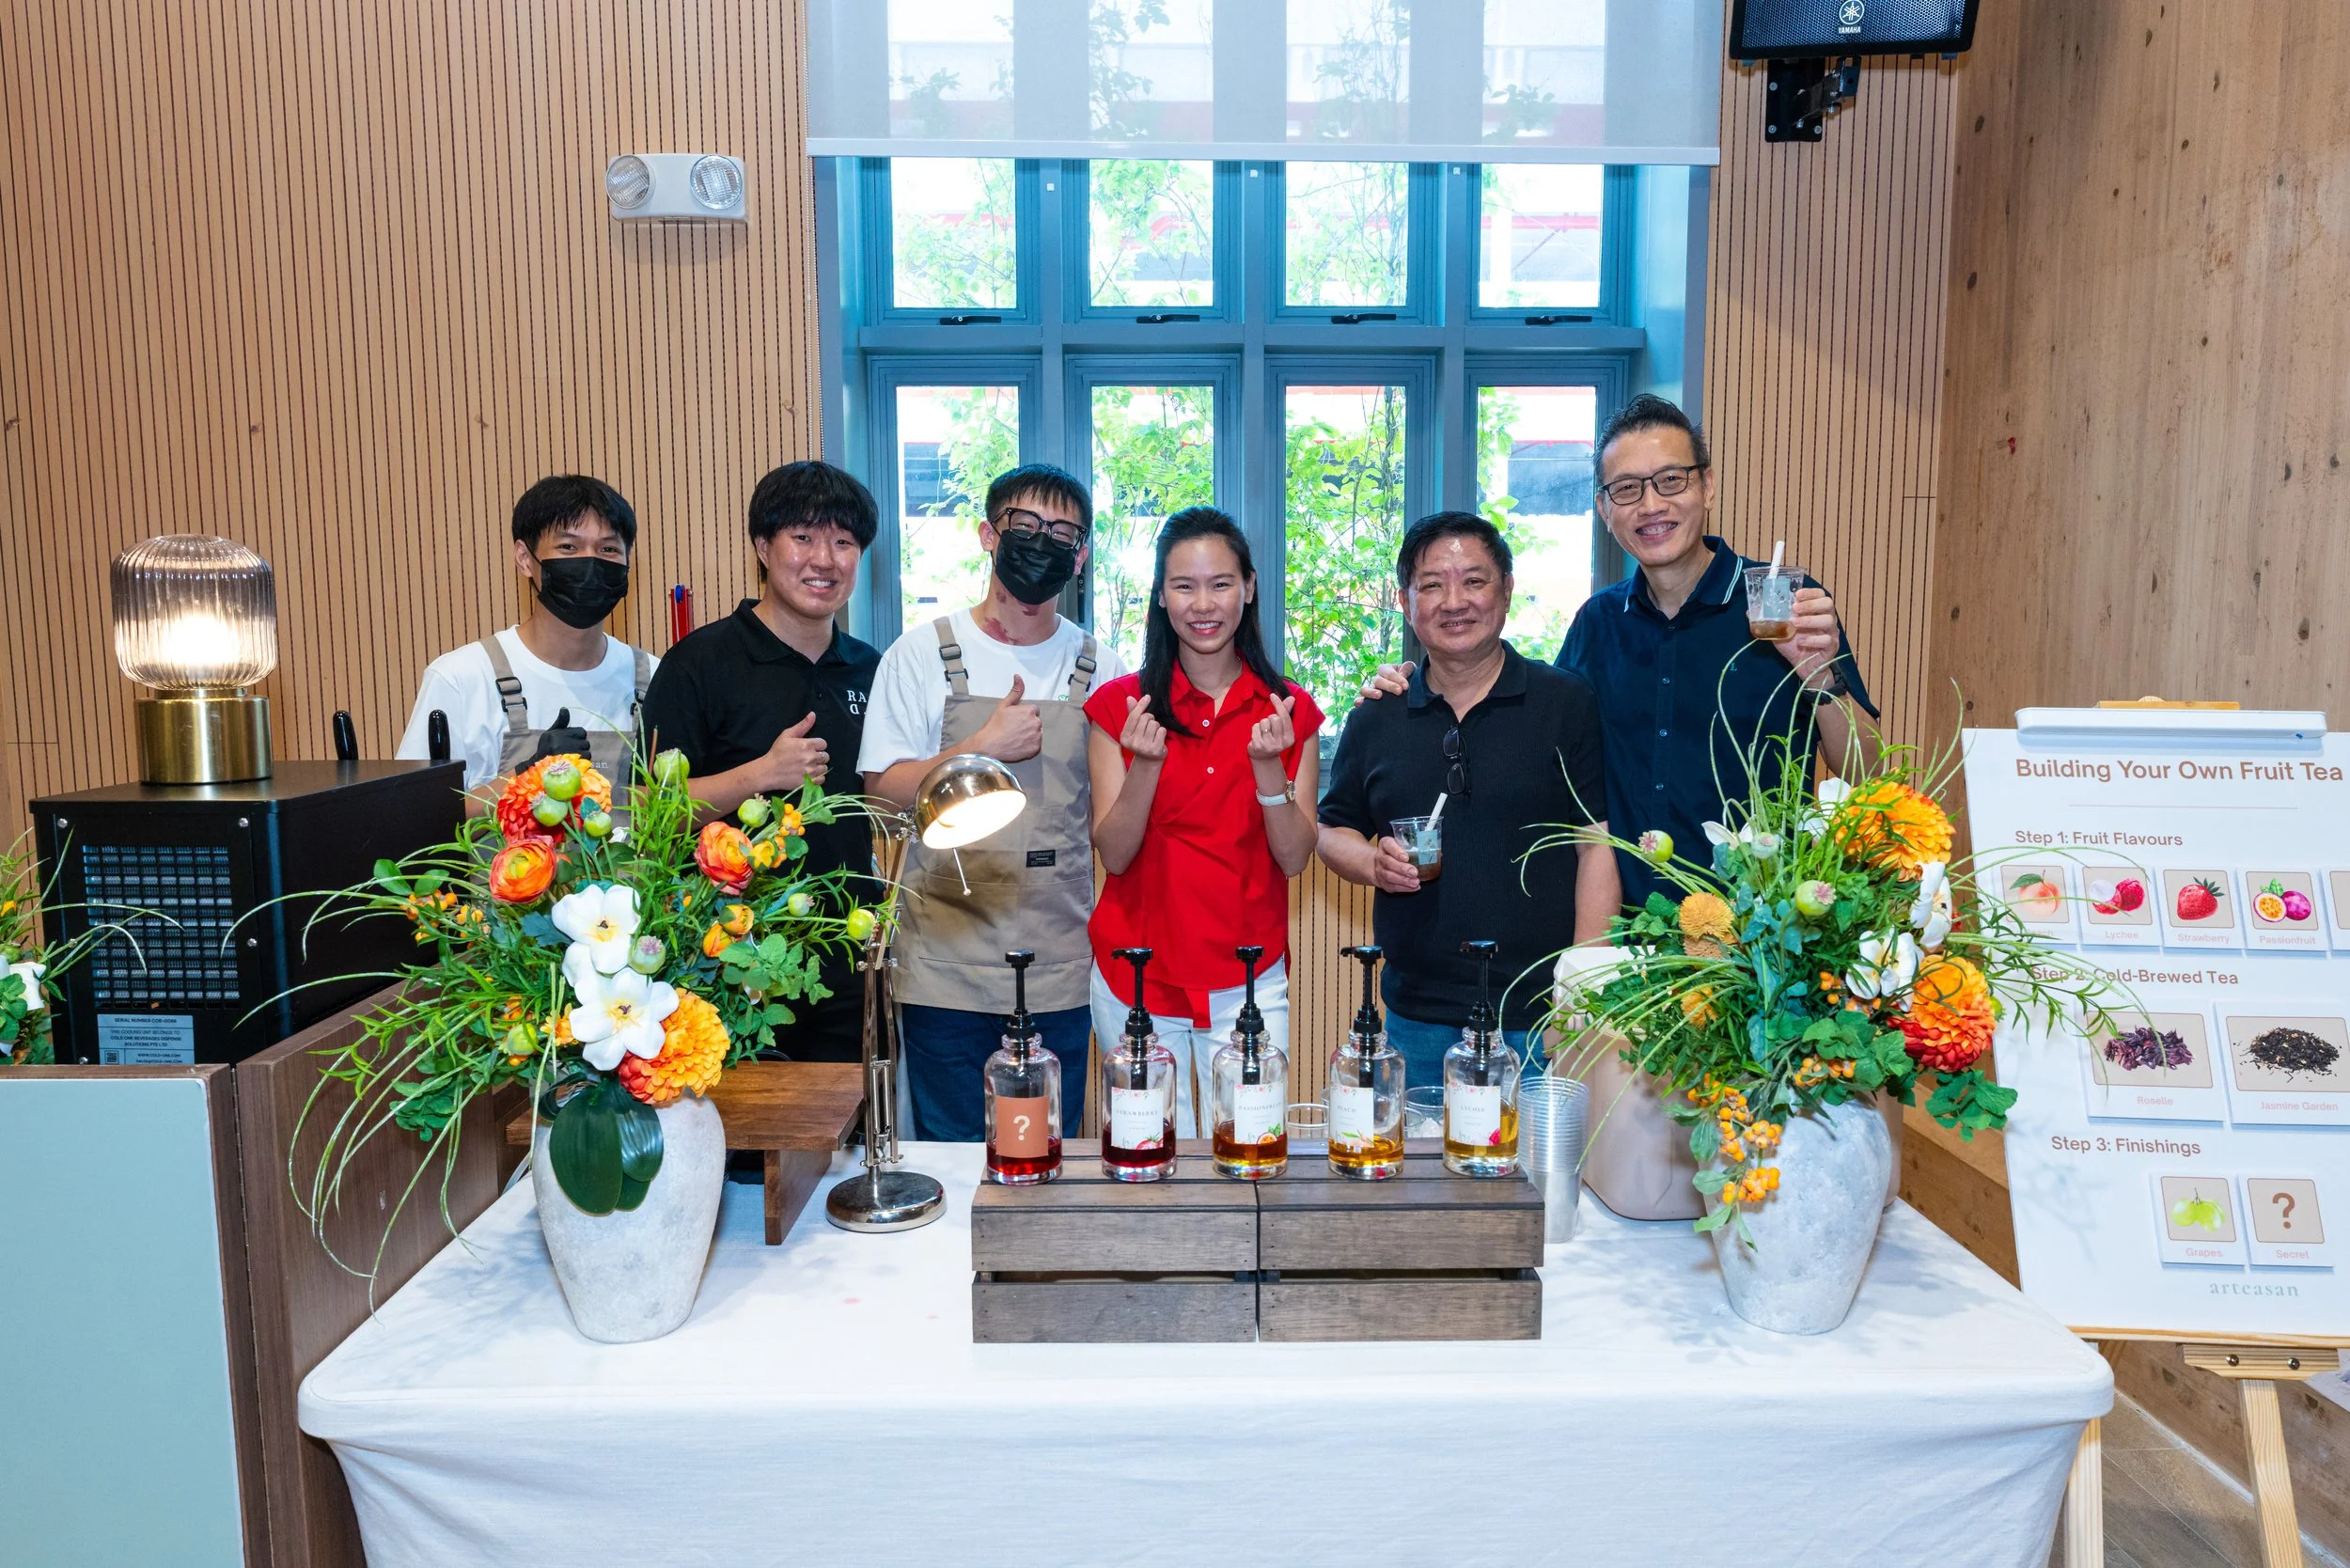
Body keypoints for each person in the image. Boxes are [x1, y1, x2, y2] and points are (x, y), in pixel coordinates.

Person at [1360, 394, 1880, 909]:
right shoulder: (1597, 623)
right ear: (1605, 509)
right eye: (1627, 489)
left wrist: (1821, 678)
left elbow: (1869, 774)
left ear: (1708, 485)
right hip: (1625, 932)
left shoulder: (1780, 605)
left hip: (1760, 934)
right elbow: (1533, 742)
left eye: (1671, 480)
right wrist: (1416, 689)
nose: (1651, 505)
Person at [857, 464, 1129, 1139]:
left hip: (1058, 964)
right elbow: (882, 794)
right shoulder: (920, 654)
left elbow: (1117, 826)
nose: (1044, 544)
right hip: (944, 966)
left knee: (1042, 1153)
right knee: (954, 1158)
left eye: (1064, 533)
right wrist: (978, 747)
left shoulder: (1105, 668)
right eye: (1026, 527)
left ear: (1083, 553)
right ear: (988, 534)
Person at [1316, 511, 1620, 1088]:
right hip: (1415, 1016)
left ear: (1506, 591)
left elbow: (1596, 845)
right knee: (1423, 1176)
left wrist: (1579, 995)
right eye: (1431, 584)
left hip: (1541, 1017)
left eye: (1474, 581)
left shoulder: (1565, 703)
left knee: (1541, 1176)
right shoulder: (1378, 714)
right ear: (1406, 602)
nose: (1454, 601)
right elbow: (1331, 830)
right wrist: (1371, 863)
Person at [1084, 508, 1324, 1137]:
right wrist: (1146, 764)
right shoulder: (1118, 706)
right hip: (1135, 971)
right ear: (1161, 597)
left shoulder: (1289, 709)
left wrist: (1270, 768)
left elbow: (1296, 857)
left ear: (1248, 587)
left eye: (1220, 583)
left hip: (1248, 972)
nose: (1203, 603)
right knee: (1144, 1148)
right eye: (1184, 586)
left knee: (1249, 1144)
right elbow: (1114, 852)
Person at [638, 461, 882, 1062]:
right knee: (740, 1150)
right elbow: (650, 812)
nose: (824, 559)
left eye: (844, 542)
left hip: (845, 954)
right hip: (725, 958)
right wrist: (761, 776)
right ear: (762, 548)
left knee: (843, 1144)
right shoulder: (701, 662)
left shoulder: (872, 668)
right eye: (803, 537)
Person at [397, 475, 654, 801]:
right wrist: (526, 774)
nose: (590, 563)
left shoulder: (653, 678)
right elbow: (409, 818)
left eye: (608, 549)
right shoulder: (461, 679)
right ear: (524, 558)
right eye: (568, 547)